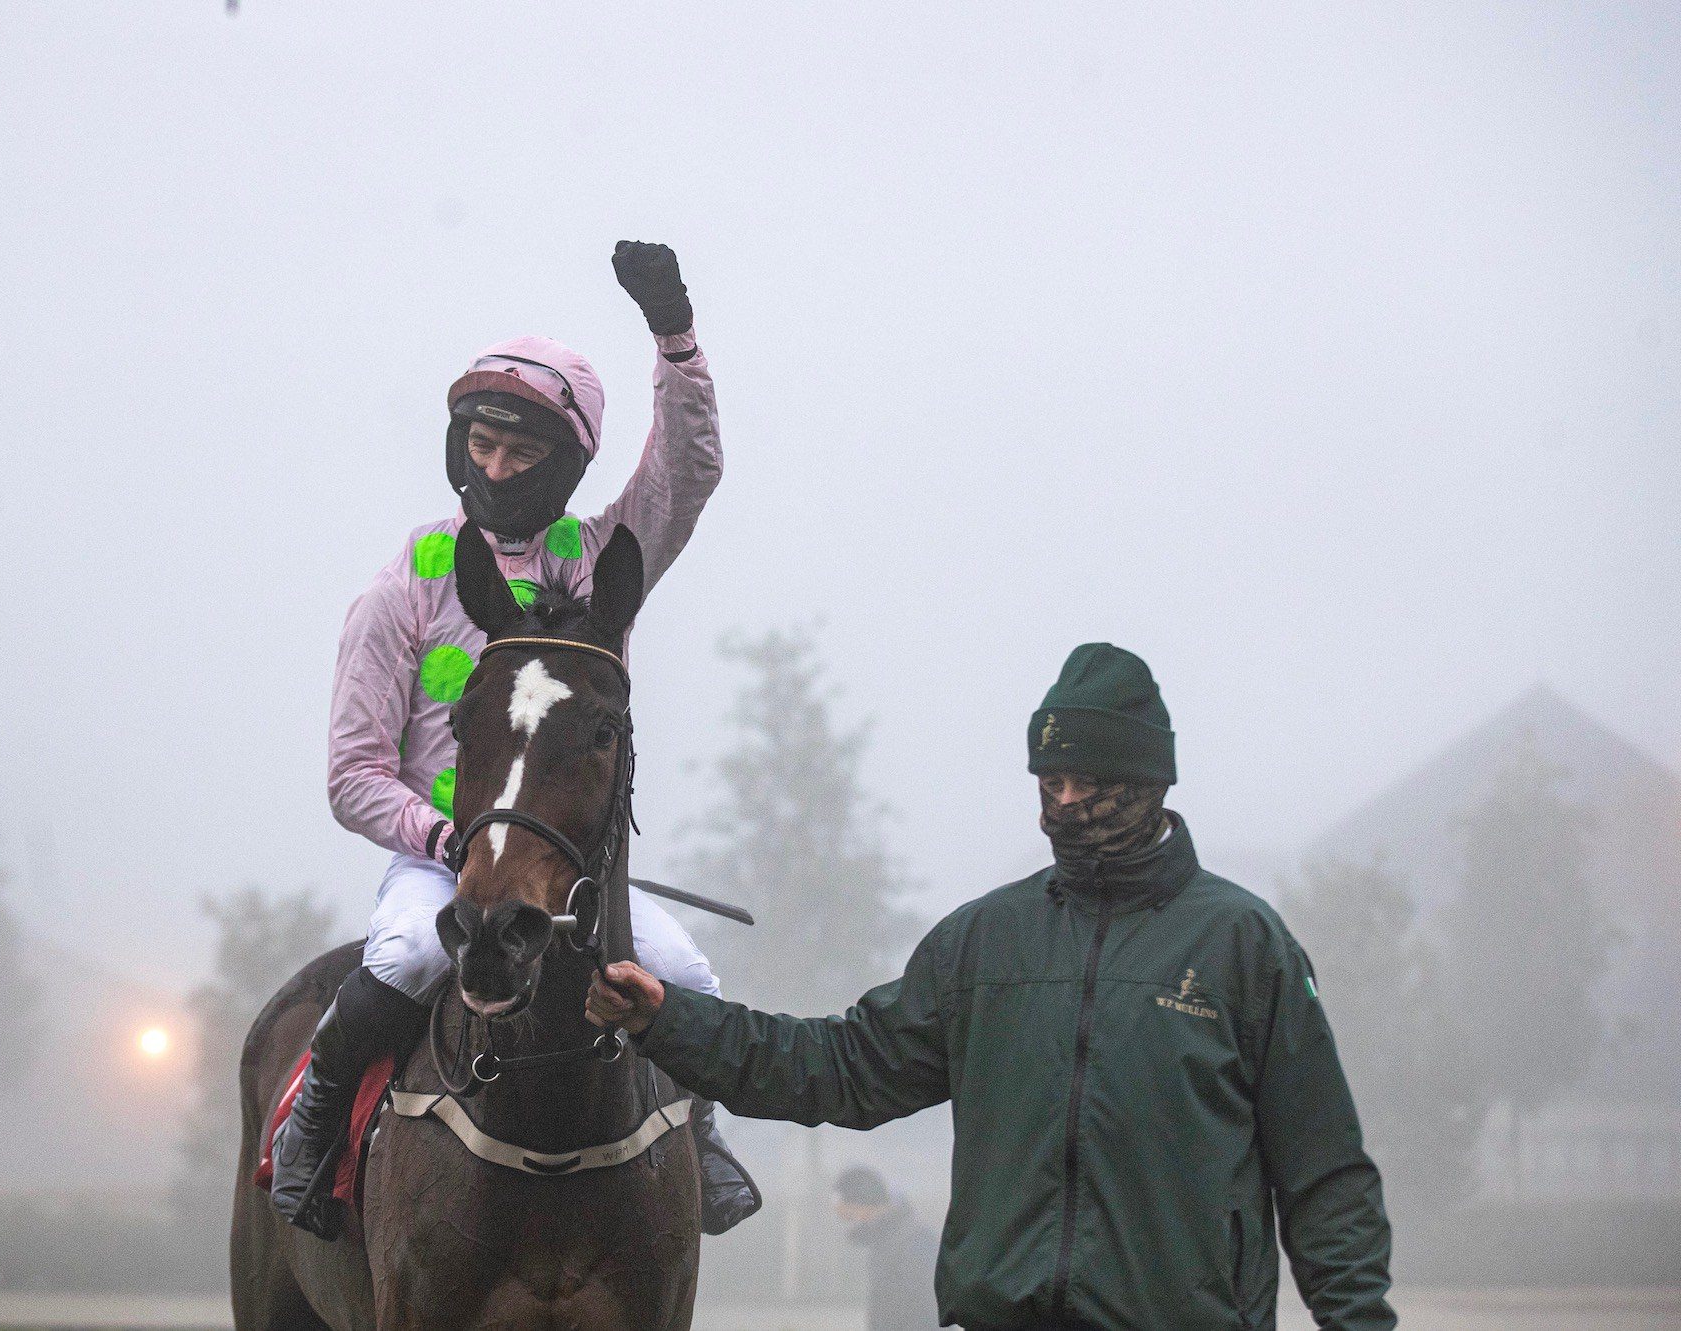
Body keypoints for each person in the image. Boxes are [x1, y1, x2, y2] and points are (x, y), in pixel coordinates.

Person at [589, 644, 1395, 1330]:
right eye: (1051, 780)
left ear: (1151, 780)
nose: (1067, 802)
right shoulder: (985, 942)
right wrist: (668, 1018)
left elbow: (1325, 1175)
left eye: (1090, 780)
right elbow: (838, 1065)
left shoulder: (1243, 945)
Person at [271, 241, 759, 1241]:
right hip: (443, 859)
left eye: (520, 453)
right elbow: (353, 774)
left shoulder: (602, 556)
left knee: (690, 974)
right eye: (481, 446)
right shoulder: (403, 588)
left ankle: (701, 1140)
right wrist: (449, 836)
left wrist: (676, 339)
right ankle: (314, 1116)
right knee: (413, 948)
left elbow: (690, 471)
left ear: (566, 463)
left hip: (570, 864)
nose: (494, 469)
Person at [835, 1165, 941, 1331]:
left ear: (863, 1206)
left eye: (848, 1215)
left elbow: (928, 1309)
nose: (849, 1224)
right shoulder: (887, 1240)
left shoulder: (913, 1243)